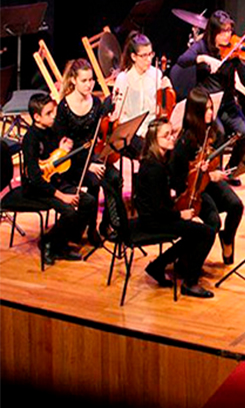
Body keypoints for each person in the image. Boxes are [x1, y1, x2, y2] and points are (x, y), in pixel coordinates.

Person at [174, 10, 245, 179]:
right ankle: (209, 174)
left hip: (228, 103)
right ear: (213, 32)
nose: (228, 35)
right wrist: (204, 59)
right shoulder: (201, 46)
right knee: (220, 134)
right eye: (223, 31)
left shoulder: (234, 50)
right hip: (207, 105)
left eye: (229, 31)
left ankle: (229, 172)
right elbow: (182, 60)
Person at [134, 118, 216, 297]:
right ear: (154, 140)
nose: (172, 138)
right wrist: (181, 215)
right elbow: (158, 210)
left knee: (198, 232)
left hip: (158, 216)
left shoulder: (160, 161)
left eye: (172, 133)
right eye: (166, 135)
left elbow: (176, 184)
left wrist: (198, 170)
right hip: (153, 221)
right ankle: (190, 283)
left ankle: (158, 265)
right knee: (206, 232)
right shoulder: (154, 169)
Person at [21, 92, 97, 263]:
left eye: (53, 111)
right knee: (69, 210)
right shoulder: (30, 139)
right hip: (37, 188)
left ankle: (61, 240)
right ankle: (49, 244)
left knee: (89, 202)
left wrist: (62, 149)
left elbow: (53, 157)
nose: (54, 116)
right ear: (37, 117)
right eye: (49, 113)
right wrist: (63, 196)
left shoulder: (52, 130)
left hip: (54, 181)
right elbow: (35, 177)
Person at [170, 88, 243, 265]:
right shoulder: (185, 141)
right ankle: (189, 261)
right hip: (192, 190)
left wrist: (210, 173)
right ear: (195, 113)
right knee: (213, 222)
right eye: (206, 110)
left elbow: (213, 163)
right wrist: (206, 175)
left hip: (207, 182)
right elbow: (177, 179)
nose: (211, 113)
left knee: (236, 206)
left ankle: (227, 238)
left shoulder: (212, 131)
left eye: (211, 108)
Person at [54, 59, 123, 243]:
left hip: (91, 157)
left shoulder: (96, 104)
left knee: (115, 177)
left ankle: (108, 225)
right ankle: (88, 228)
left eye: (91, 80)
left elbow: (97, 139)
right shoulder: (64, 108)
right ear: (74, 80)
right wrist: (89, 164)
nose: (89, 84)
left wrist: (111, 123)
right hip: (71, 162)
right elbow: (64, 150)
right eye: (84, 80)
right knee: (94, 180)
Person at [111, 31, 173, 157]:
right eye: (144, 56)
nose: (149, 59)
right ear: (133, 57)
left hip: (151, 129)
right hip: (132, 132)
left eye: (150, 54)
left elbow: (159, 109)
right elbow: (121, 116)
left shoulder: (156, 74)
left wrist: (167, 89)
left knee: (170, 145)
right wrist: (140, 132)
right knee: (149, 151)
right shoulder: (123, 79)